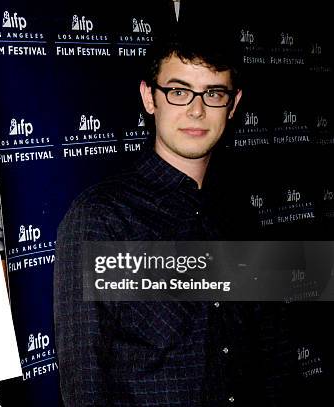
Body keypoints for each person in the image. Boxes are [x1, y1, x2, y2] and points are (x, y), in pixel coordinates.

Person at [54, 30, 292, 406]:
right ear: (150, 97)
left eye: (214, 93)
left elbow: (272, 352)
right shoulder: (102, 218)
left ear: (233, 104)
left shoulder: (239, 213)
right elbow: (84, 382)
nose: (196, 110)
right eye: (179, 92)